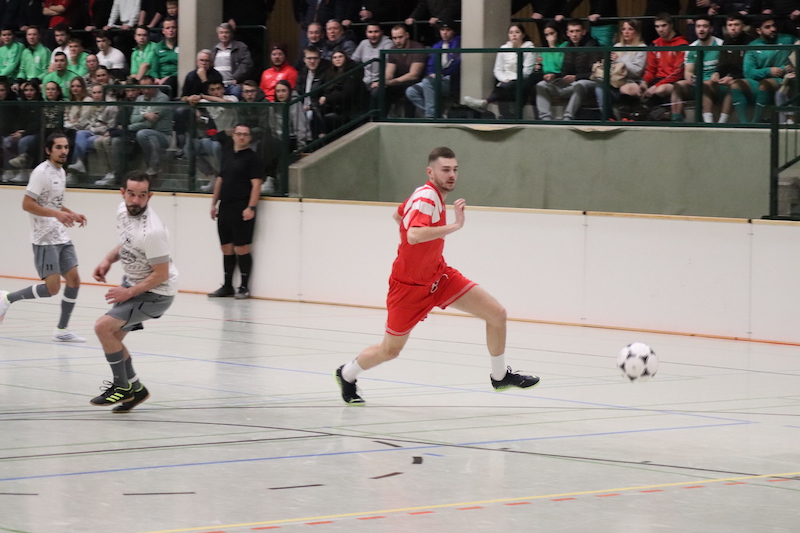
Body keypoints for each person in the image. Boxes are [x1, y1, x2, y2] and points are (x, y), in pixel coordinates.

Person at [334, 146, 540, 405]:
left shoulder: (425, 195)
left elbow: (399, 215)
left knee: (496, 313)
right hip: (408, 288)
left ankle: (500, 377)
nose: (451, 175)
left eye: (455, 170)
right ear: (430, 172)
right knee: (390, 350)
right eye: (445, 170)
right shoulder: (428, 198)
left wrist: (419, 252)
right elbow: (413, 234)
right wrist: (455, 225)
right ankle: (347, 374)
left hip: (439, 276)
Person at [90, 170, 178, 410]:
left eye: (142, 195)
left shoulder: (153, 232)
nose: (136, 200)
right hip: (133, 284)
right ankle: (137, 390)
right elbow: (126, 243)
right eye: (131, 194)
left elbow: (161, 274)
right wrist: (108, 259)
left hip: (156, 294)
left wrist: (127, 293)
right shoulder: (123, 211)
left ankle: (122, 386)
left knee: (103, 327)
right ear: (123, 193)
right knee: (113, 339)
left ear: (150, 196)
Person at [0, 133, 87, 342]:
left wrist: (71, 214)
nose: (64, 151)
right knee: (52, 288)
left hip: (60, 235)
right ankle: (7, 299)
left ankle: (62, 329)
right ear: (49, 150)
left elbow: (53, 203)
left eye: (66, 147)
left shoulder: (62, 172)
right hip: (44, 238)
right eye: (59, 147)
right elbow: (27, 204)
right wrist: (58, 215)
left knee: (74, 280)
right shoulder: (41, 173)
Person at [208, 123, 263, 299]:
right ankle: (227, 286)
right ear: (233, 136)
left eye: (245, 134)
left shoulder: (253, 158)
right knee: (226, 247)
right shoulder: (227, 154)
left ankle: (244, 287)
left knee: (242, 246)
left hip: (242, 206)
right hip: (225, 206)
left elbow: (256, 185)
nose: (241, 137)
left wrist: (251, 207)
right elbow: (220, 180)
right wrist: (213, 203)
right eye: (238, 134)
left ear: (250, 138)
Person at [731, 15, 797, 123]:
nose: (773, 29)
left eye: (773, 26)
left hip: (783, 80)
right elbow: (748, 72)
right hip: (758, 81)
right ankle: (744, 124)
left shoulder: (788, 39)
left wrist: (786, 68)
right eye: (767, 27)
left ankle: (755, 123)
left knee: (765, 84)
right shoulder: (753, 46)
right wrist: (768, 71)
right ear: (759, 30)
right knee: (736, 85)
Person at [463, 23, 535, 118]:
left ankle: (485, 102)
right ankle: (501, 113)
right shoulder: (503, 48)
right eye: (511, 33)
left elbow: (527, 71)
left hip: (521, 79)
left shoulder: (529, 48)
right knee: (502, 84)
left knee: (510, 86)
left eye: (517, 32)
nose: (514, 35)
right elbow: (498, 69)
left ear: (523, 35)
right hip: (506, 80)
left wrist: (513, 80)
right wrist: (504, 79)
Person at [535, 19, 600, 120]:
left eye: (577, 31)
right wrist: (554, 75)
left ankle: (568, 117)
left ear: (583, 32)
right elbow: (565, 71)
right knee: (541, 85)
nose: (574, 34)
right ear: (567, 33)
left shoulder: (592, 45)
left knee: (580, 84)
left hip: (588, 82)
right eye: (571, 31)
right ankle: (545, 118)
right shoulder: (568, 46)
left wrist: (576, 77)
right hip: (570, 83)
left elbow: (596, 73)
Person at [670, 15, 723, 121]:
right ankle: (676, 120)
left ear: (711, 29)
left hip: (715, 84)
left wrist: (718, 74)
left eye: (705, 26)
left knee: (704, 85)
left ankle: (708, 122)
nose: (701, 29)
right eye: (698, 26)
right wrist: (690, 77)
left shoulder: (721, 45)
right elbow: (688, 72)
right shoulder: (691, 48)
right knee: (678, 86)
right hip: (698, 83)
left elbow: (725, 68)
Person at [406, 20, 461, 118]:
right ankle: (437, 114)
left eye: (448, 30)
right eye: (442, 30)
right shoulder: (437, 45)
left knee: (427, 82)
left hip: (452, 80)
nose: (445, 32)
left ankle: (431, 116)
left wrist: (441, 74)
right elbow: (431, 65)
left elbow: (456, 62)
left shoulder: (459, 42)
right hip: (436, 79)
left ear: (453, 31)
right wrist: (432, 73)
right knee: (411, 91)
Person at [703, 14, 752, 123]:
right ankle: (708, 121)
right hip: (726, 78)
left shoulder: (749, 42)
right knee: (706, 84)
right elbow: (722, 62)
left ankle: (722, 122)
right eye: (730, 25)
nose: (733, 28)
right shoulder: (726, 41)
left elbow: (747, 68)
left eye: (736, 25)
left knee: (733, 85)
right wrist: (717, 73)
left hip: (743, 79)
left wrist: (732, 77)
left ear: (743, 26)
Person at [594, 19, 647, 117]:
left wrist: (619, 60)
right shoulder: (617, 46)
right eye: (624, 29)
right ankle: (607, 117)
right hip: (614, 81)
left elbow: (637, 71)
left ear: (636, 31)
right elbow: (613, 67)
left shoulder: (642, 47)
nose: (626, 32)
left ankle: (610, 117)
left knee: (620, 89)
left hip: (631, 82)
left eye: (630, 29)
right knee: (599, 85)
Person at [639, 13, 688, 118]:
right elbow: (651, 69)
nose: (660, 29)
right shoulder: (655, 44)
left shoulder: (682, 44)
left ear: (671, 25)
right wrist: (644, 82)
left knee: (660, 89)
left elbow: (678, 73)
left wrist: (656, 86)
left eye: (664, 25)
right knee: (636, 89)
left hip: (674, 81)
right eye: (657, 26)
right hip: (658, 80)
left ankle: (663, 114)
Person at [128, 74, 172, 176]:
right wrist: (145, 115)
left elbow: (150, 123)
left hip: (164, 135)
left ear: (155, 85)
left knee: (143, 133)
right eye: (143, 88)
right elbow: (133, 119)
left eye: (149, 87)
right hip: (144, 131)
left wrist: (127, 128)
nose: (146, 91)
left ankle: (155, 166)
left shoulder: (162, 98)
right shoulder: (139, 99)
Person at [384, 24, 426, 116]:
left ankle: (409, 120)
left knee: (409, 89)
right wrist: (386, 80)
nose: (397, 41)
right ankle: (380, 119)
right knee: (380, 90)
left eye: (400, 37)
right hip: (400, 82)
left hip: (417, 82)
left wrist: (393, 81)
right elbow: (389, 72)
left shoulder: (418, 48)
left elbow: (414, 75)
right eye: (394, 38)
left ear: (407, 35)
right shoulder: (393, 49)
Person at [317, 52, 363, 134]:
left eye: (340, 56)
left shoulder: (352, 71)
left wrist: (327, 98)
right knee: (315, 111)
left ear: (345, 58)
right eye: (334, 57)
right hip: (334, 105)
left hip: (350, 108)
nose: (337, 59)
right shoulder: (330, 73)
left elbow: (347, 93)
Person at [211, 22, 254, 99]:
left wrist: (236, 78)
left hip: (233, 85)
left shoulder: (240, 47)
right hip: (218, 86)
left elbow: (247, 64)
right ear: (218, 35)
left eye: (226, 32)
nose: (224, 35)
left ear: (231, 34)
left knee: (235, 95)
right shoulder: (215, 50)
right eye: (221, 33)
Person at [352, 21, 393, 93]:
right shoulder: (363, 43)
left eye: (376, 32)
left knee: (375, 93)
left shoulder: (388, 43)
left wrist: (381, 81)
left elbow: (390, 65)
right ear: (366, 33)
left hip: (381, 81)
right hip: (365, 81)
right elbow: (353, 61)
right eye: (370, 32)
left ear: (381, 32)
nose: (373, 35)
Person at [153, 16, 177, 96]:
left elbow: (184, 66)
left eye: (173, 27)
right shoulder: (158, 47)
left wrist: (168, 78)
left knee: (170, 81)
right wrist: (156, 78)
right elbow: (154, 68)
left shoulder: (182, 45)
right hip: (160, 80)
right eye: (168, 28)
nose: (171, 30)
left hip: (175, 79)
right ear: (163, 31)